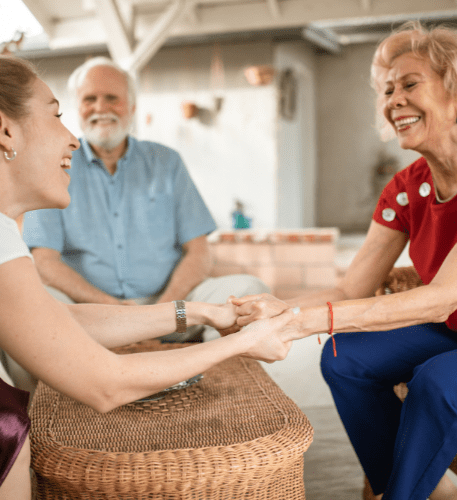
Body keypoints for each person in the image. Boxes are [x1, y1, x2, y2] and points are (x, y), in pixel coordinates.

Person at [0, 55, 292, 500]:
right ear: (2, 128)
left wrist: (196, 311)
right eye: (57, 115)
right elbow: (106, 382)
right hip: (95, 360)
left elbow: (59, 321)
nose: (72, 138)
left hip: (153, 297)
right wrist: (244, 341)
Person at [230, 22, 457, 500]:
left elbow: (440, 299)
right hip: (450, 328)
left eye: (410, 84)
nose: (393, 100)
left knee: (435, 382)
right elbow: (351, 288)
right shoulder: (406, 187)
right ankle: (412, 486)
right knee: (343, 357)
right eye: (387, 89)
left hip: (444, 315)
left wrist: (303, 323)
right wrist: (282, 308)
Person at [21, 56, 269, 343]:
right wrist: (113, 308)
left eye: (112, 98)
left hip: (174, 309)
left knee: (249, 289)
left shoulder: (167, 162)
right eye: (90, 99)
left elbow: (199, 251)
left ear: (133, 107)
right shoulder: (55, 166)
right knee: (24, 306)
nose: (100, 108)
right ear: (78, 108)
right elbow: (44, 261)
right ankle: (46, 389)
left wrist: (166, 310)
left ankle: (221, 378)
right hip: (92, 313)